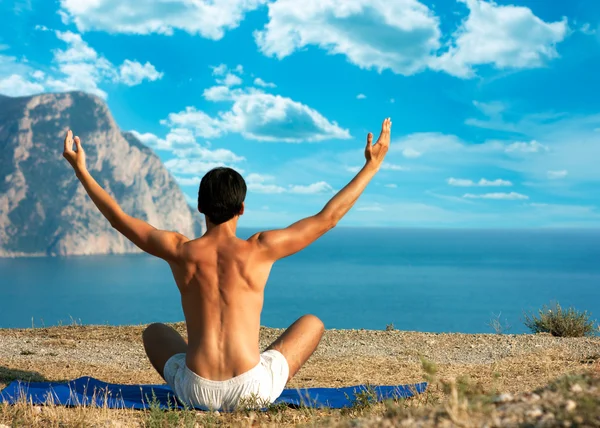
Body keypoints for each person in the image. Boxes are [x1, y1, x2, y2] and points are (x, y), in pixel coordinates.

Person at [62, 117, 392, 410]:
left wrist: (81, 170)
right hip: (253, 389)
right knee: (312, 323)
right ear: (242, 209)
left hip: (195, 390)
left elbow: (119, 219)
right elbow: (328, 218)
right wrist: (371, 166)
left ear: (201, 207)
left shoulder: (180, 250)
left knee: (154, 333)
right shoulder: (260, 249)